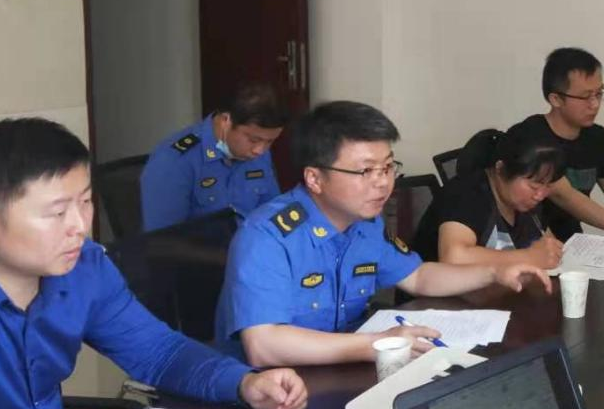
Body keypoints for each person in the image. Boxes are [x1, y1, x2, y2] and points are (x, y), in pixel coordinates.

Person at [0, 118, 307, 409]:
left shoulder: (84, 268)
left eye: (85, 202)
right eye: (56, 213)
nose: (80, 226)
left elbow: (158, 351)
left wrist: (243, 383)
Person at [214, 101, 552, 367]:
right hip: (269, 390)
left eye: (388, 167)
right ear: (315, 178)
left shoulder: (365, 223)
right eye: (365, 171)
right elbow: (264, 346)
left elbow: (418, 276)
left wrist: (495, 271)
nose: (383, 182)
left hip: (344, 366)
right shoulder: (267, 237)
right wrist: (378, 344)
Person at [517, 47, 604, 241]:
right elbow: (564, 195)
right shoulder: (532, 135)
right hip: (534, 242)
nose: (595, 104)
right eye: (585, 96)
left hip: (575, 243)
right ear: (556, 99)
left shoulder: (596, 136)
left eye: (599, 93)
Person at [411, 123, 565, 269]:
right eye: (534, 186)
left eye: (548, 185)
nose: (540, 195)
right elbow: (454, 257)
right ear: (501, 168)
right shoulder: (466, 194)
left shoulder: (526, 202)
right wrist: (528, 257)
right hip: (439, 288)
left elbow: (547, 245)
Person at [140, 82, 287, 231]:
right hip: (199, 246)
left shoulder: (258, 151)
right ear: (225, 121)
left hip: (250, 243)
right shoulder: (174, 161)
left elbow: (271, 215)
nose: (260, 150)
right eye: (253, 140)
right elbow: (164, 239)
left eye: (270, 141)